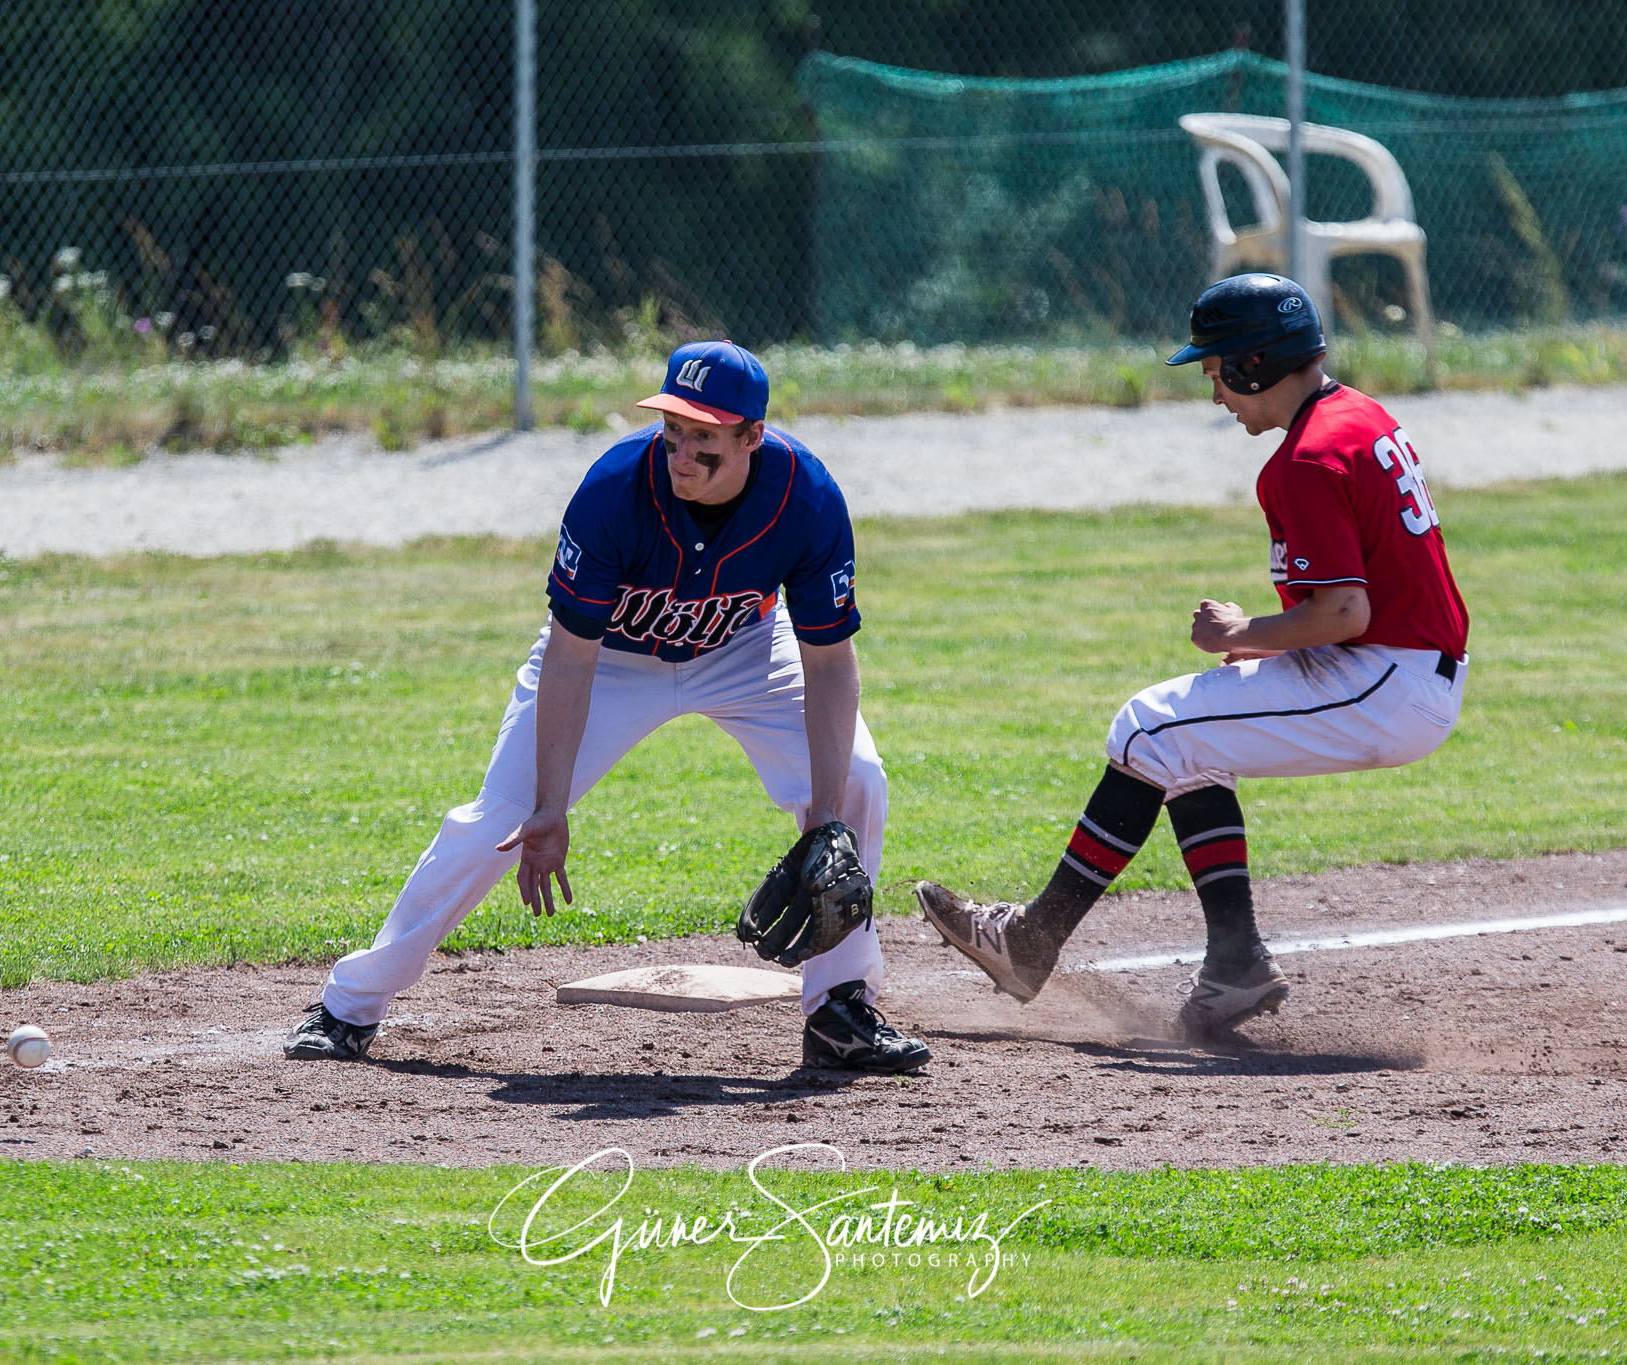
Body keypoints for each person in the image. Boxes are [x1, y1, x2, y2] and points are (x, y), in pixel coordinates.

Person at [285, 339, 931, 1073]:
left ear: (753, 437)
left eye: (705, 437)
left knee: (857, 782)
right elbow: (571, 655)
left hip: (745, 648)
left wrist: (823, 808)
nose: (682, 450)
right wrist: (551, 806)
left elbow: (828, 660)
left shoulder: (806, 497)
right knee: (499, 820)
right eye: (673, 429)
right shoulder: (615, 490)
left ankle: (840, 1007)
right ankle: (348, 1007)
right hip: (613, 656)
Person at [916, 273, 1470, 1037]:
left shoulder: (1305, 459)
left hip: (1386, 680)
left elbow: (1346, 611)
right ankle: (1235, 964)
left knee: (1148, 728)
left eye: (1217, 372)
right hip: (1399, 667)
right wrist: (1260, 641)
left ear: (1254, 362)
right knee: (1184, 737)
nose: (1216, 393)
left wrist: (1240, 636)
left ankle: (1032, 939)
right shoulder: (1357, 415)